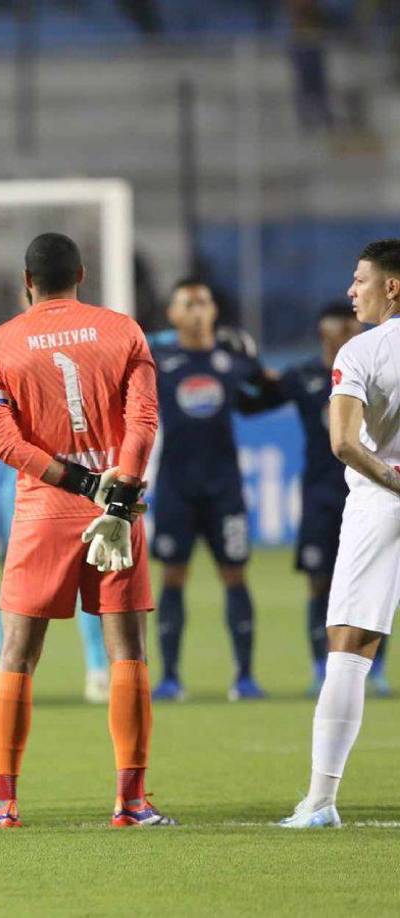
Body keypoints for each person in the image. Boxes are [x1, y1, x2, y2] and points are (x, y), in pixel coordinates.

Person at [0, 232, 172, 830]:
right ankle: (131, 803)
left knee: (18, 652)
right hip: (117, 507)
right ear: (82, 273)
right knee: (128, 651)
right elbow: (143, 421)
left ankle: (3, 803)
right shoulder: (123, 331)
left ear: (25, 280)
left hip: (43, 510)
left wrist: (81, 485)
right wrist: (118, 493)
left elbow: (5, 442)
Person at [280, 239, 400, 829]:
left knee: (350, 646)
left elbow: (345, 443)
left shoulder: (362, 351)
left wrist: (393, 478)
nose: (352, 290)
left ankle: (321, 801)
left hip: (384, 503)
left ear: (392, 287)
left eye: (360, 280)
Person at [0, 302, 112, 705]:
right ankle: (97, 673)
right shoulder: (94, 338)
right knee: (83, 572)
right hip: (84, 472)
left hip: (32, 481)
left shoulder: (6, 345)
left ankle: (16, 677)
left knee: (23, 580)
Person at [149, 280, 279, 703]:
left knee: (235, 575)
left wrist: (262, 366)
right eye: (187, 303)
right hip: (176, 487)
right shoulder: (158, 360)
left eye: (203, 300)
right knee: (172, 576)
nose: (197, 309)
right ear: (172, 316)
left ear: (214, 309)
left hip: (224, 489)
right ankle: (169, 677)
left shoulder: (233, 359)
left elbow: (263, 393)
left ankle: (244, 676)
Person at [277, 304, 388, 697]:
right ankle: (319, 666)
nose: (343, 338)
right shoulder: (303, 376)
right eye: (336, 331)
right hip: (319, 496)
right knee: (318, 583)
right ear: (322, 335)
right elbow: (252, 397)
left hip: (369, 491)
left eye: (349, 331)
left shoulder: (378, 373)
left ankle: (374, 670)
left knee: (377, 582)